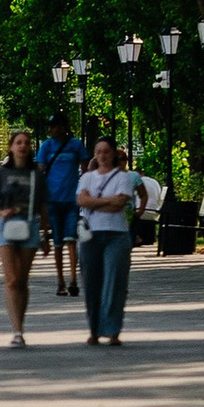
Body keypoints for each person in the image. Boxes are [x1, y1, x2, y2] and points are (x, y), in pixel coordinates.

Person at [77, 136, 142, 344]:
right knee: (91, 282)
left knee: (115, 280)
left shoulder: (123, 177)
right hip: (91, 235)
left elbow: (120, 203)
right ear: (94, 155)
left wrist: (93, 203)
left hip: (116, 234)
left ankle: (113, 329)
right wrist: (107, 200)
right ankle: (94, 330)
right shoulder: (86, 177)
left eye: (106, 151)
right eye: (99, 151)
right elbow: (81, 200)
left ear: (113, 153)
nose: (102, 156)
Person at [0, 131, 41, 346]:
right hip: (6, 226)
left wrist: (46, 232)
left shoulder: (36, 173)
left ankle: (21, 322)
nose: (23, 146)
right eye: (18, 143)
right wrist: (1, 213)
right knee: (11, 279)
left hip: (30, 225)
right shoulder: (2, 173)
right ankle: (17, 330)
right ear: (11, 147)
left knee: (22, 279)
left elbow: (43, 204)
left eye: (26, 143)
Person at [35, 115, 85, 296]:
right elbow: (40, 170)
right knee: (57, 243)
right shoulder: (46, 146)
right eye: (51, 126)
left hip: (72, 200)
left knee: (71, 240)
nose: (53, 129)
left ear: (64, 126)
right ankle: (60, 281)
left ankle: (73, 279)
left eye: (56, 126)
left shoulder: (75, 145)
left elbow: (86, 169)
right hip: (52, 200)